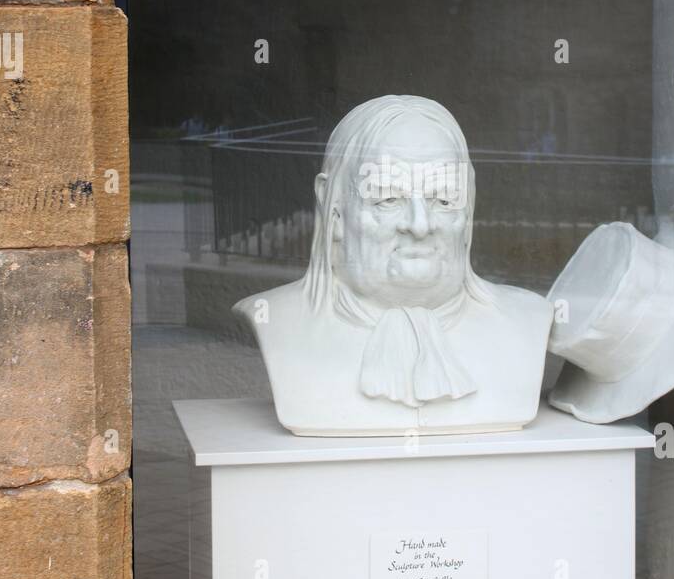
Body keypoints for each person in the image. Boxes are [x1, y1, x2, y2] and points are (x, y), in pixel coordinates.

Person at [234, 94, 554, 436]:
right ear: (334, 209)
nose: (419, 225)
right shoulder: (278, 318)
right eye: (388, 198)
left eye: (444, 198)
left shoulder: (528, 318)